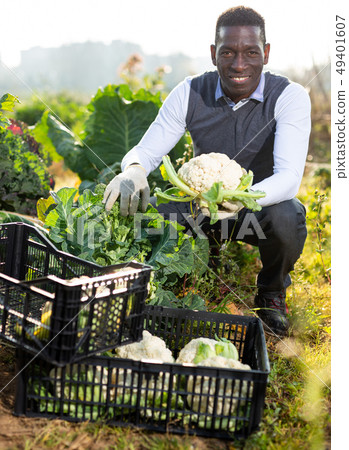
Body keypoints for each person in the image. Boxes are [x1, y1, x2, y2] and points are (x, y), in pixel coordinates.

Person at [103, 6, 311, 336]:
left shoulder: (289, 96)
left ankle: (271, 293)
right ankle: (177, 274)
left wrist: (241, 197)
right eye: (228, 52)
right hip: (198, 208)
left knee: (288, 215)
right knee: (147, 217)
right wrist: (134, 169)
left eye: (251, 52)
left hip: (255, 211)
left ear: (266, 53)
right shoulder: (189, 92)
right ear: (214, 54)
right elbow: (148, 148)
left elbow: (288, 177)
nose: (239, 64)